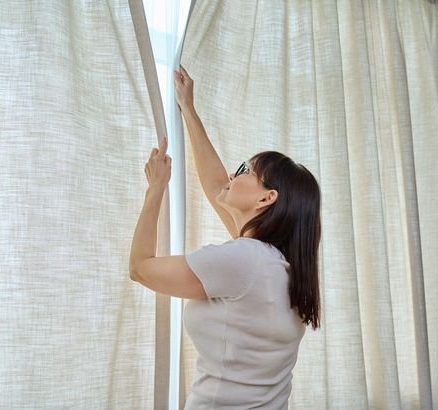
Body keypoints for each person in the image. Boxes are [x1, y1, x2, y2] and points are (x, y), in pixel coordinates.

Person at [129, 66, 322, 409]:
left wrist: (155, 188)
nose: (234, 174)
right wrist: (188, 110)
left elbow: (141, 269)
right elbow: (220, 184)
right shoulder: (278, 263)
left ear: (266, 198)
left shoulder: (246, 260)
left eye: (246, 170)